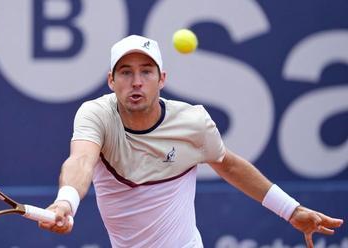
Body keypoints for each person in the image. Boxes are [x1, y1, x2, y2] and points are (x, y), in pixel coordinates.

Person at [39, 35, 343, 247]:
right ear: (111, 81)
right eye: (125, 72)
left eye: (146, 71)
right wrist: (66, 201)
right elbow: (80, 160)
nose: (136, 82)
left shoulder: (192, 122)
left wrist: (291, 210)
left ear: (162, 79)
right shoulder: (96, 114)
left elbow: (230, 166)